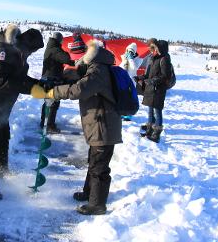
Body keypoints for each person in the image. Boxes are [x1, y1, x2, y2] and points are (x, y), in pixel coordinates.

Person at [32, 40, 122, 215]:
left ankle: (97, 205)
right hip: (99, 123)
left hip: (103, 125)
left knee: (99, 166)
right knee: (94, 161)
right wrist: (60, 78)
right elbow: (78, 76)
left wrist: (53, 93)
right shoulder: (98, 67)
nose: (79, 59)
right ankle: (89, 193)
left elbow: (80, 89)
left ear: (90, 56)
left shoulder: (98, 71)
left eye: (82, 56)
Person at [0, 24, 44, 200]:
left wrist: (40, 85)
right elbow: (1, 81)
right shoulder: (2, 51)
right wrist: (31, 89)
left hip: (1, 106)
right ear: (24, 43)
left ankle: (1, 172)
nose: (31, 54)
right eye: (31, 50)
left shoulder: (17, 53)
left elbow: (20, 78)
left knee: (3, 138)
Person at [134, 39, 171, 143]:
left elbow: (165, 76)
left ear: (160, 49)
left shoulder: (164, 59)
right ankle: (150, 129)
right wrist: (140, 78)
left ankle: (157, 133)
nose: (153, 50)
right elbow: (148, 74)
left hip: (158, 89)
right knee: (150, 111)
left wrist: (153, 81)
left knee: (157, 111)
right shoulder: (153, 58)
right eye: (152, 48)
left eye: (155, 48)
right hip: (150, 89)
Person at [39, 32, 75, 133]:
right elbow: (66, 59)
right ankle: (49, 126)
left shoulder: (51, 47)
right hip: (52, 80)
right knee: (53, 102)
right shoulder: (55, 49)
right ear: (59, 40)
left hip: (48, 78)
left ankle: (44, 123)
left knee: (48, 102)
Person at [119, 42, 140, 121]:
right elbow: (121, 68)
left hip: (131, 82)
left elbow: (134, 68)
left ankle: (129, 115)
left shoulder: (137, 60)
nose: (129, 52)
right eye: (128, 51)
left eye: (131, 51)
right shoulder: (124, 58)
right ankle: (122, 113)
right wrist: (124, 61)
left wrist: (130, 59)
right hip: (123, 82)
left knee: (130, 99)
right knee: (123, 97)